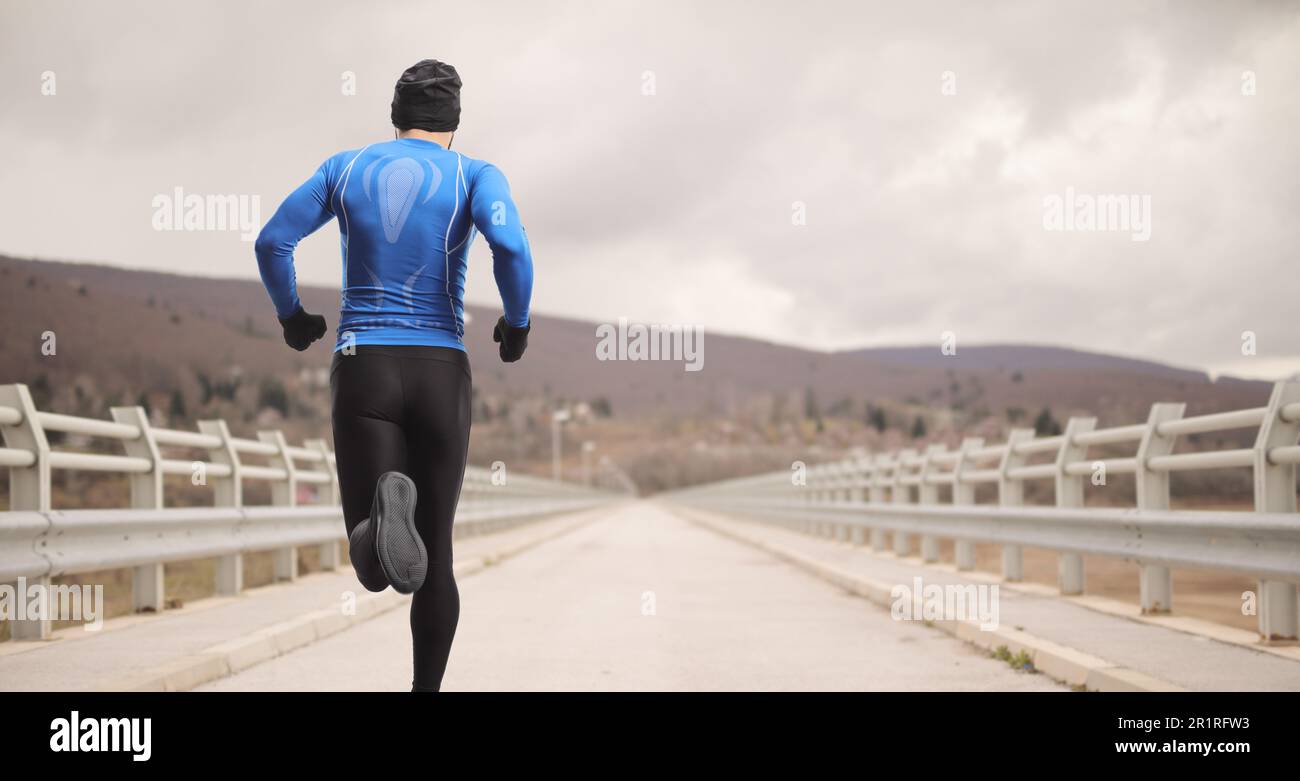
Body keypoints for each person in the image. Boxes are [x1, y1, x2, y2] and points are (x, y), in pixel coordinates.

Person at [254, 59, 534, 692]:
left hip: (364, 367)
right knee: (434, 557)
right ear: (454, 124)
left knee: (375, 565)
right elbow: (511, 247)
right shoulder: (474, 175)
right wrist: (516, 324)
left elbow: (273, 242)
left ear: (394, 115)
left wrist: (293, 317)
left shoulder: (344, 168)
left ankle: (382, 514)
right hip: (441, 369)